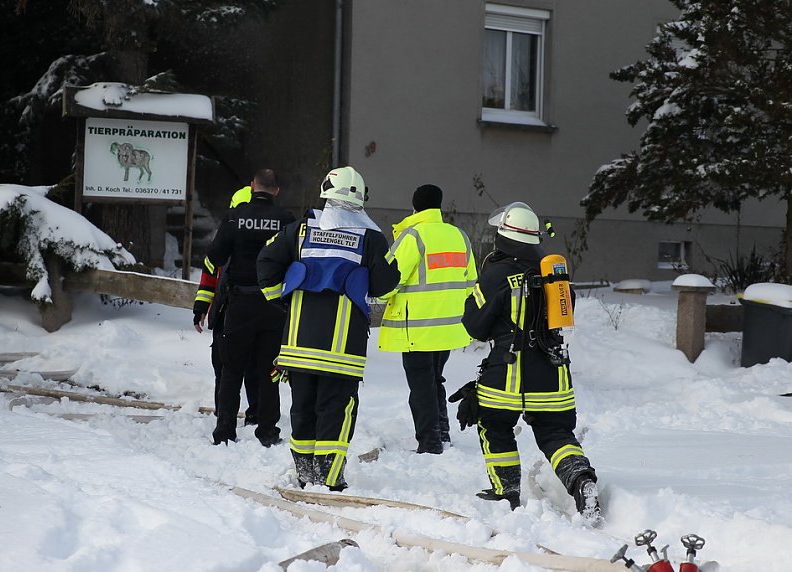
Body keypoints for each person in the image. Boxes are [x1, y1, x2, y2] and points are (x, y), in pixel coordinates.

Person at [257, 166, 399, 490]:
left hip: (298, 346)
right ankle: (330, 480)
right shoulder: (372, 239)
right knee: (336, 411)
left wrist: (284, 300)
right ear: (362, 200)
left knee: (302, 410)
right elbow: (388, 285)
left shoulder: (300, 231)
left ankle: (306, 476)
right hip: (342, 351)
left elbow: (265, 263)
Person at [456, 201, 600, 519]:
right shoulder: (554, 277)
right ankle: (581, 480)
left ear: (503, 238)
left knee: (494, 424)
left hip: (507, 373)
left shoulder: (495, 276)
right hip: (553, 372)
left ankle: (506, 492)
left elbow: (473, 326)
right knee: (556, 434)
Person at [193, 169, 295, 447]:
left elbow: (214, 258)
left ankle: (225, 430)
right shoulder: (287, 221)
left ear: (252, 187)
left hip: (239, 304)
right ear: (276, 190)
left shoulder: (235, 218)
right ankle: (267, 430)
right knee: (269, 370)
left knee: (231, 369)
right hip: (274, 305)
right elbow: (299, 262)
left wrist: (202, 303)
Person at [377, 184, 478, 454]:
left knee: (421, 384)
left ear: (414, 207)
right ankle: (442, 433)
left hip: (418, 327)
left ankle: (430, 442)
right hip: (448, 327)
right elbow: (470, 283)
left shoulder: (414, 237)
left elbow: (390, 280)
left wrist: (378, 294)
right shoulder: (459, 236)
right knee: (435, 379)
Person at [194, 184, 262, 426]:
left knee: (241, 367)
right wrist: (201, 307)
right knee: (228, 366)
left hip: (237, 311)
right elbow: (209, 275)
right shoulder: (229, 239)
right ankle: (228, 412)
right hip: (229, 311)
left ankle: (249, 414)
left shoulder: (233, 238)